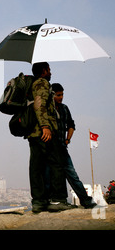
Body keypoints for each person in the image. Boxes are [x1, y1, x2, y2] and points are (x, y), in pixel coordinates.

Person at [28, 62, 72, 213]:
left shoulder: (33, 83)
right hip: (43, 132)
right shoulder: (42, 83)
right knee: (56, 164)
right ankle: (58, 199)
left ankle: (39, 202)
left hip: (34, 132)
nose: (50, 72)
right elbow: (39, 105)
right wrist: (45, 127)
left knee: (36, 167)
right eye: (49, 70)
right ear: (44, 71)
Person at [52, 83, 97, 209]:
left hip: (61, 147)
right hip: (51, 148)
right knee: (56, 176)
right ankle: (60, 201)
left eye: (62, 94)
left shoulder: (64, 108)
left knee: (72, 175)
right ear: (52, 95)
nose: (61, 97)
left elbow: (71, 125)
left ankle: (86, 201)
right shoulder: (48, 109)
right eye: (58, 95)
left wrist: (67, 139)